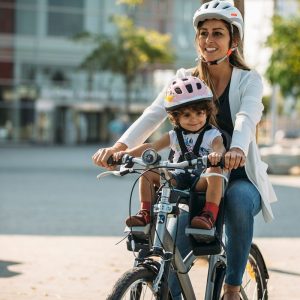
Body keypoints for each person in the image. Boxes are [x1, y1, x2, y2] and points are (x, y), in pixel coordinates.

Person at [93, 1, 278, 299]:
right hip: (192, 177)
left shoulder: (248, 80)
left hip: (238, 174)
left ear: (234, 39)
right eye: (203, 33)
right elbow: (154, 114)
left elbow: (246, 118)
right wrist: (119, 148)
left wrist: (237, 149)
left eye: (218, 33)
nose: (209, 40)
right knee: (173, 259)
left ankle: (231, 287)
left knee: (238, 202)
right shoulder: (185, 79)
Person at [114, 76, 226, 230]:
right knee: (147, 171)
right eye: (187, 115)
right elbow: (151, 146)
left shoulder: (212, 135)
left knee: (214, 170)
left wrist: (216, 154)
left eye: (199, 113)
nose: (194, 119)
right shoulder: (173, 135)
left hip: (200, 180)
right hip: (177, 178)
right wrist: (126, 154)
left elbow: (219, 147)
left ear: (207, 112)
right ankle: (145, 213)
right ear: (175, 117)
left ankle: (209, 214)